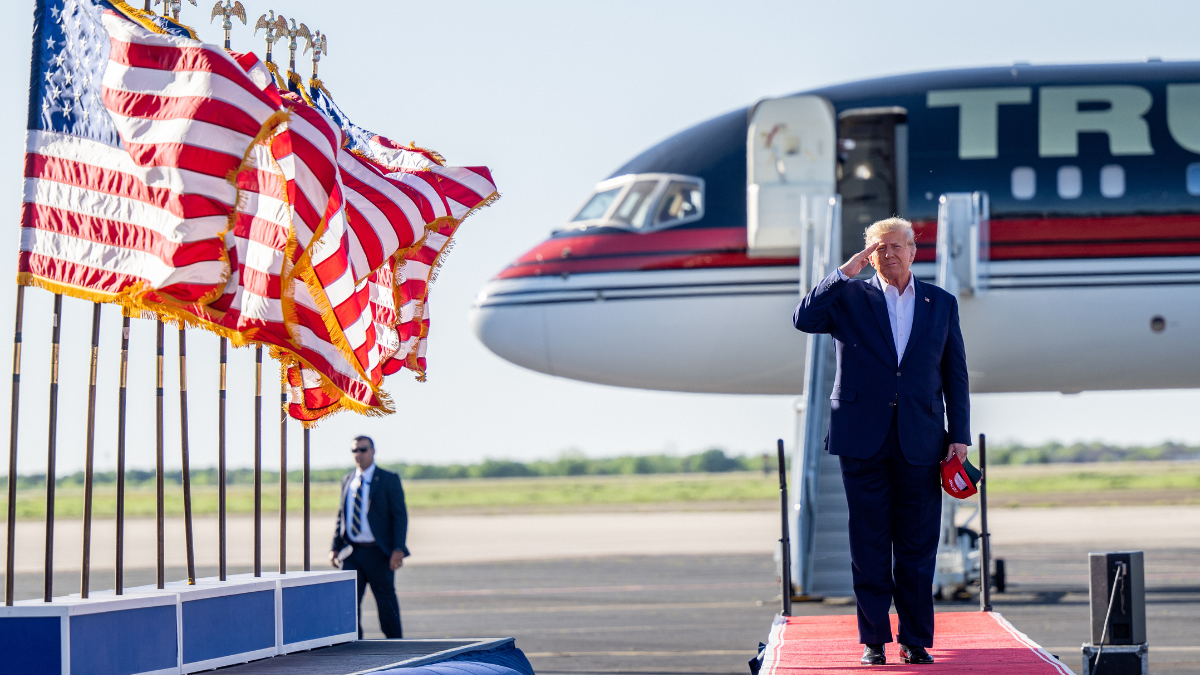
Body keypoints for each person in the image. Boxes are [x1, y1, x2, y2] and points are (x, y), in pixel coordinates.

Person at [792, 217, 970, 666]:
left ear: (913, 249)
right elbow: (803, 319)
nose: (887, 254)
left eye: (896, 246)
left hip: (923, 438)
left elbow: (955, 374)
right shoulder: (848, 296)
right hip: (861, 437)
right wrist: (843, 272)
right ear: (867, 254)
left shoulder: (940, 302)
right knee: (868, 543)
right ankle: (874, 639)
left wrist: (960, 438)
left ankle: (914, 639)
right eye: (877, 247)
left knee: (916, 545)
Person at [331, 435, 410, 639]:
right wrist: (335, 547)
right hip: (352, 552)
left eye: (363, 449)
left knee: (386, 601)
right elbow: (342, 515)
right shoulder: (348, 480)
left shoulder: (387, 479)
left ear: (373, 451)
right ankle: (353, 642)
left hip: (379, 551)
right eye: (354, 450)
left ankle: (395, 644)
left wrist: (398, 548)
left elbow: (399, 516)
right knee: (348, 603)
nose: (359, 454)